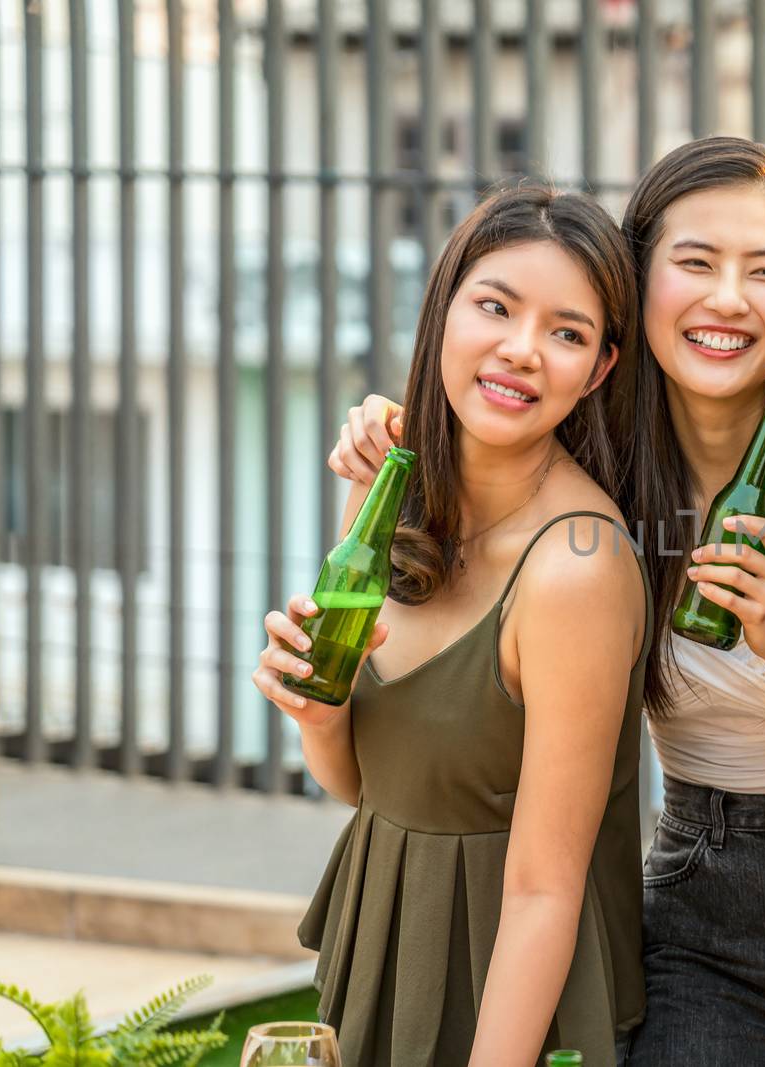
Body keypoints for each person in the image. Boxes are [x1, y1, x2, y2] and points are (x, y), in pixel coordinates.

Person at [329, 142, 765, 1065]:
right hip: (704, 900)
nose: (726, 299)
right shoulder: (601, 469)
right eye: (694, 263)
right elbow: (479, 439)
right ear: (636, 280)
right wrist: (389, 426)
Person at [252, 185, 651, 1067]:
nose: (520, 350)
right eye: (496, 306)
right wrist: (317, 713)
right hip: (382, 957)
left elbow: (548, 887)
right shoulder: (384, 492)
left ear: (598, 369)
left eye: (567, 332)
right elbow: (369, 785)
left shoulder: (576, 566)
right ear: (443, 312)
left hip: (515, 1007)